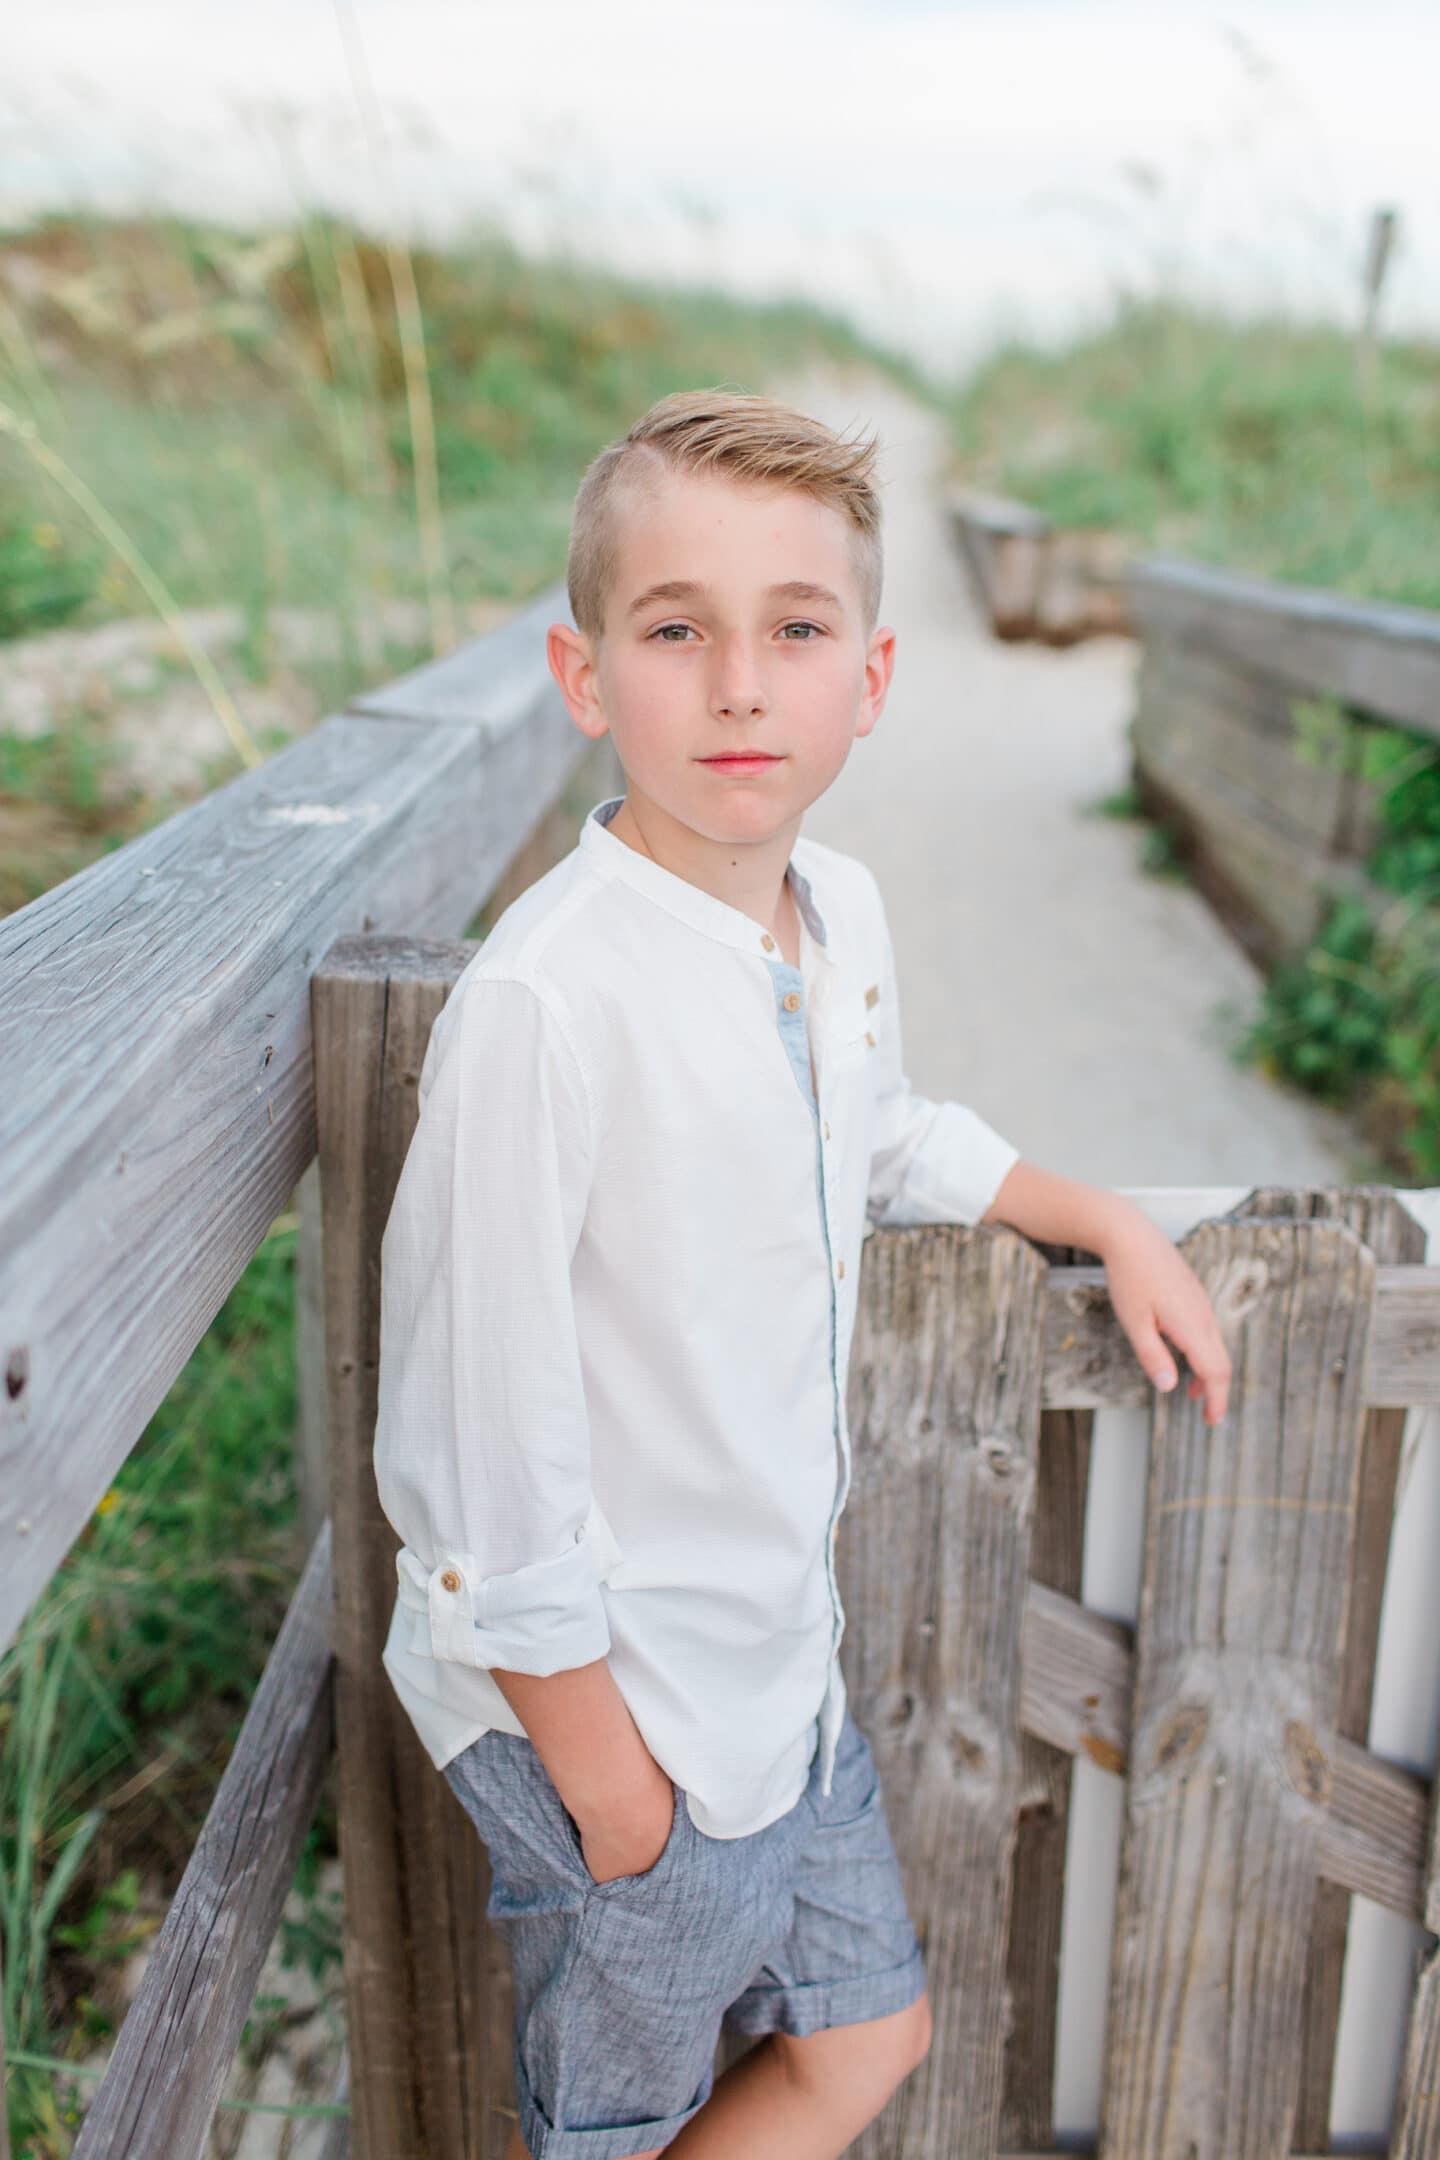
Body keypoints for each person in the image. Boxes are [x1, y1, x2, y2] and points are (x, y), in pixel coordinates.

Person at [372, 388, 1233, 2160]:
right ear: (588, 677)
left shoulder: (834, 913)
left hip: (785, 1681)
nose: (742, 683)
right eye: (678, 631)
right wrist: (620, 1805)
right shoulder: (550, 1006)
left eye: (796, 629)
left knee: (872, 2033)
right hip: (622, 1729)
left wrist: (1102, 1213)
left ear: (875, 676)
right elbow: (477, 1465)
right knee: (613, 2126)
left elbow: (884, 1122)